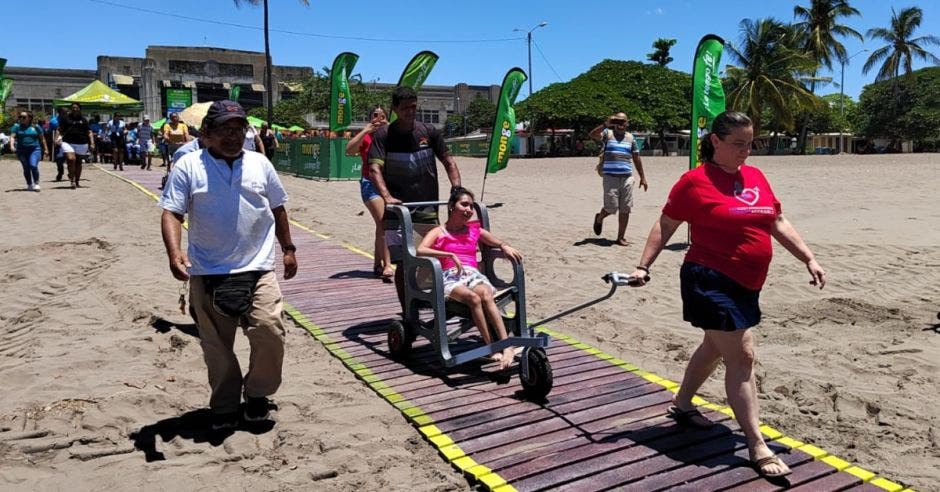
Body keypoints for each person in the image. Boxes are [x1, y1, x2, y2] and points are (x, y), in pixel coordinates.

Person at [627, 111, 826, 479]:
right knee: (743, 355)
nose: (746, 152)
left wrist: (808, 258)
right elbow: (667, 223)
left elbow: (775, 221)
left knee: (715, 347)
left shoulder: (755, 176)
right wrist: (644, 265)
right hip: (709, 279)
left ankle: (683, 404)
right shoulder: (694, 182)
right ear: (715, 141)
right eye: (738, 144)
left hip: (748, 283)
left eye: (751, 143)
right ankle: (757, 444)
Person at [159, 100, 297, 429]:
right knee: (217, 347)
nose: (234, 137)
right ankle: (224, 404)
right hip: (208, 270)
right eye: (225, 130)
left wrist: (288, 248)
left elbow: (278, 208)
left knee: (269, 332)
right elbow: (172, 213)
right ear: (206, 133)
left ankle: (257, 394)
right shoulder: (188, 166)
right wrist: (174, 252)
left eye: (240, 129)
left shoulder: (261, 164)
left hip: (258, 267)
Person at [368, 86, 462, 307]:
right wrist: (387, 197)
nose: (410, 112)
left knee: (432, 259)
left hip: (427, 210)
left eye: (413, 106)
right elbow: (374, 170)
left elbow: (448, 162)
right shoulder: (384, 136)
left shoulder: (429, 132)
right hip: (397, 212)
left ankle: (432, 303)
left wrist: (457, 189)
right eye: (405, 108)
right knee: (403, 263)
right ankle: (408, 311)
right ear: (395, 109)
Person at [416, 187, 522, 370]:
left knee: (486, 294)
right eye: (464, 204)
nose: (469, 210)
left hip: (472, 274)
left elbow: (495, 241)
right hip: (449, 276)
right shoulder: (439, 231)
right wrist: (448, 254)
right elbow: (420, 250)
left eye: (471, 206)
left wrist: (505, 246)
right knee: (473, 298)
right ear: (451, 206)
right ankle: (490, 347)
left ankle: (506, 345)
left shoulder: (474, 230)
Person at [345, 105, 392, 281]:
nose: (379, 119)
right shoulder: (366, 138)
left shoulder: (390, 135)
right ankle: (388, 265)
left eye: (382, 116)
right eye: (375, 115)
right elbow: (349, 150)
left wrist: (389, 128)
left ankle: (377, 264)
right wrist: (366, 129)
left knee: (381, 226)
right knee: (384, 223)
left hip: (387, 185)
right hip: (369, 184)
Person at [589, 112, 648, 246]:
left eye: (623, 122)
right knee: (611, 207)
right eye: (618, 121)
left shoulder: (630, 138)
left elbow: (636, 158)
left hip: (627, 177)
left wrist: (642, 177)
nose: (621, 124)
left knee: (625, 208)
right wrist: (605, 124)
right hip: (610, 177)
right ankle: (599, 218)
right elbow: (592, 135)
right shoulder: (607, 134)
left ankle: (620, 237)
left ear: (627, 123)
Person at [55, 103, 95, 189]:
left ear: (80, 109)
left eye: (76, 108)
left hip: (82, 143)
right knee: (71, 159)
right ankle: (72, 180)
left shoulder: (84, 120)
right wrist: (56, 139)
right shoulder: (65, 118)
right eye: (73, 108)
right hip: (68, 142)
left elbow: (89, 132)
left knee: (78, 163)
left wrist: (92, 143)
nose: (75, 109)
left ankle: (76, 181)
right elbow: (59, 129)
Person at [9, 110, 49, 192]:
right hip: (21, 150)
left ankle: (36, 183)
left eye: (24, 117)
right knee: (26, 168)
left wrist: (46, 149)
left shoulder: (36, 127)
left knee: (33, 166)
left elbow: (42, 139)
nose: (21, 119)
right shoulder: (17, 127)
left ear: (29, 118)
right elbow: (12, 136)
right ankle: (29, 184)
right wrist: (12, 145)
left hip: (34, 149)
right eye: (20, 117)